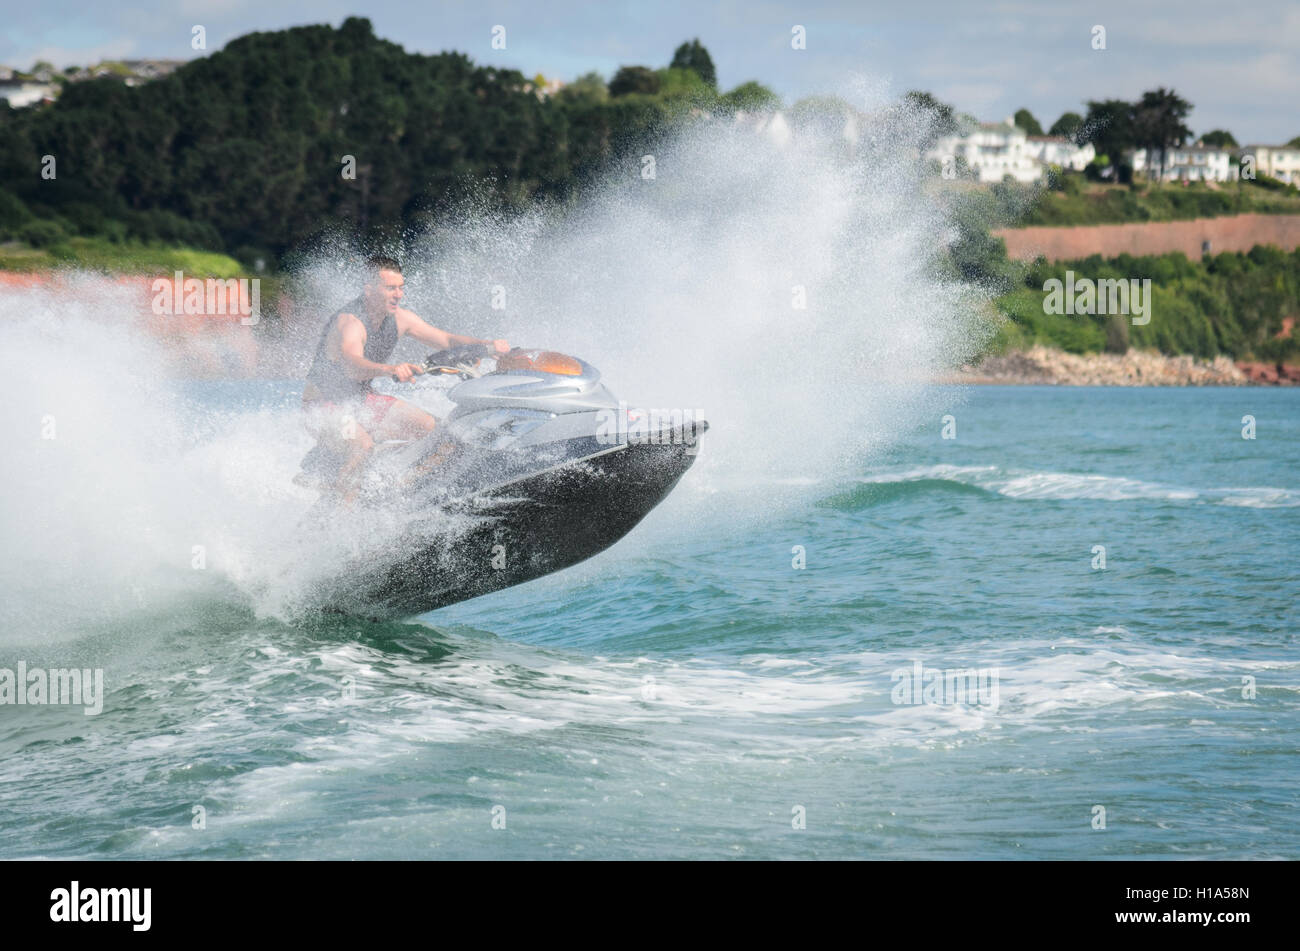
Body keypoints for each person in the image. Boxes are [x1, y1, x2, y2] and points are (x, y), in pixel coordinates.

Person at [302, 256, 508, 502]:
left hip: (362, 401)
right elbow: (352, 366)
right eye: (390, 288)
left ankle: (396, 496)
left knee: (440, 436)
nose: (398, 295)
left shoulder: (401, 319)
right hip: (324, 406)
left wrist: (486, 346)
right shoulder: (351, 322)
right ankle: (342, 517)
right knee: (362, 447)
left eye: (401, 287)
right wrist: (390, 369)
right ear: (369, 290)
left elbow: (446, 340)